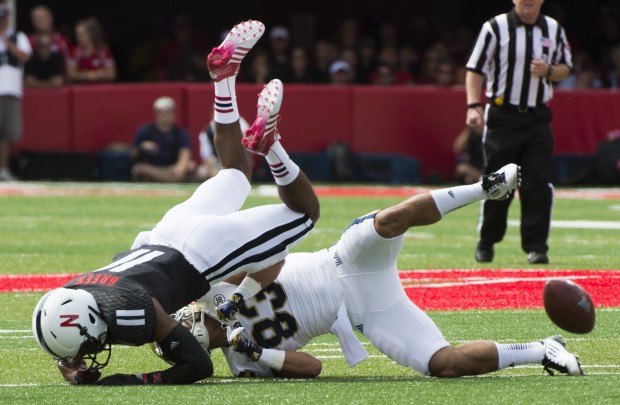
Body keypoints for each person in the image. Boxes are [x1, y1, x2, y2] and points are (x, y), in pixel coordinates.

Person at [31, 20, 320, 386]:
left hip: (201, 254)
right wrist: (69, 359)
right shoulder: (74, 289)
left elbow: (198, 366)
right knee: (236, 173)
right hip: (168, 228)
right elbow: (67, 319)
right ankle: (224, 79)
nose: (82, 356)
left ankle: (272, 146)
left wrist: (125, 380)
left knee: (306, 214)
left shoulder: (128, 315)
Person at [161, 163, 583, 378]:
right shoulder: (241, 363)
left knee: (388, 221)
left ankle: (485, 188)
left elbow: (276, 258)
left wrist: (239, 296)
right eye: (183, 326)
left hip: (343, 260)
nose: (183, 317)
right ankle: (541, 349)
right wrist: (255, 351)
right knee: (442, 364)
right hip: (362, 311)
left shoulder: (212, 287)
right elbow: (312, 368)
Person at [465, 0, 573, 264]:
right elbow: (475, 69)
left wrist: (548, 70)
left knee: (537, 182)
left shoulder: (553, 28)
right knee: (497, 182)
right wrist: (473, 105)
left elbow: (566, 67)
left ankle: (537, 247)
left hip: (537, 116)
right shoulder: (495, 27)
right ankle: (487, 241)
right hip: (503, 115)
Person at [0, 4, 32, 181]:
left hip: (11, 90)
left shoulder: (18, 37)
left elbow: (25, 56)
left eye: (3, 18)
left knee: (7, 134)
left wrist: (6, 42)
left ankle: (3, 170)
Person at [130, 96, 194, 183]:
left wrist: (180, 168)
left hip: (171, 167)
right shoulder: (145, 130)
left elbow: (185, 152)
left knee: (189, 165)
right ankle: (170, 180)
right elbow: (133, 153)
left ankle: (165, 179)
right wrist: (143, 147)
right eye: (161, 113)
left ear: (174, 114)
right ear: (156, 114)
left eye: (168, 112)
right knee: (139, 169)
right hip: (151, 167)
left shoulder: (180, 133)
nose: (165, 116)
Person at [195, 116, 250, 181]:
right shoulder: (207, 132)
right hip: (217, 163)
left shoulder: (239, 122)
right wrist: (215, 176)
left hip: (237, 161)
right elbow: (206, 157)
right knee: (202, 172)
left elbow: (248, 140)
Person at [66, 17, 116, 84]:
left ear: (91, 34)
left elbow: (111, 75)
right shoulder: (74, 52)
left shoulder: (103, 51)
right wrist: (94, 74)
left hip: (100, 90)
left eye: (81, 35)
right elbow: (70, 75)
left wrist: (82, 74)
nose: (78, 38)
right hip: (80, 90)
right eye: (77, 35)